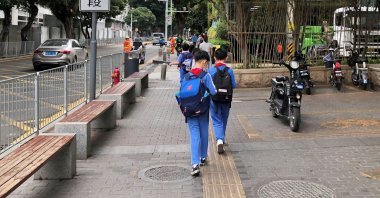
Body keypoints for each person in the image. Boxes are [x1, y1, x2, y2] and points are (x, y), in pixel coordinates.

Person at [181, 50, 217, 176]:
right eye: (206, 63)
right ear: (203, 62)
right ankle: (202, 157)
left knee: (194, 135)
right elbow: (213, 92)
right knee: (203, 132)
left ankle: (194, 164)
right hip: (202, 109)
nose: (206, 66)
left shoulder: (186, 76)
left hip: (189, 110)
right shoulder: (205, 76)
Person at [208, 48, 237, 154]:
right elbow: (234, 85)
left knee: (216, 120)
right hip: (226, 99)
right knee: (224, 119)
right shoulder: (230, 70)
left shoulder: (211, 70)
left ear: (215, 57)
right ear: (226, 57)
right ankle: (222, 139)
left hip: (214, 99)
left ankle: (219, 140)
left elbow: (207, 85)